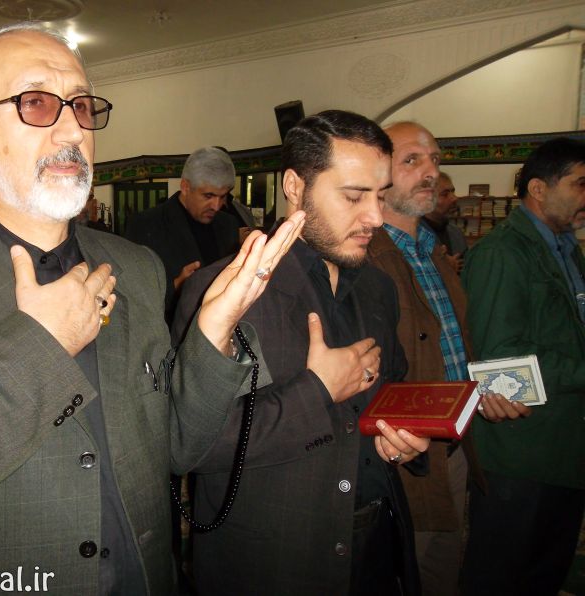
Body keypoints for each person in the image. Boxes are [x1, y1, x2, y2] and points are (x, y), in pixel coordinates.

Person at [0, 22, 304, 595]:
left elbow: (177, 445)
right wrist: (40, 348)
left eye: (80, 105)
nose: (73, 128)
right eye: (34, 102)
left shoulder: (136, 267)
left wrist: (213, 329)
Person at [173, 110, 430, 595]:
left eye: (380, 195)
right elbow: (196, 447)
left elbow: (392, 387)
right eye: (353, 196)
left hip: (377, 547)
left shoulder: (378, 287)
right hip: (273, 562)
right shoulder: (220, 292)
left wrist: (403, 435)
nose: (375, 217)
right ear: (294, 186)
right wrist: (317, 391)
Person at [367, 122, 528, 596]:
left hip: (452, 447)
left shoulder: (433, 253)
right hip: (401, 456)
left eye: (435, 160)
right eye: (411, 160)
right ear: (379, 174)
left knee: (441, 568)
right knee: (401, 571)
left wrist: (482, 395)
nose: (430, 172)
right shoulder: (364, 257)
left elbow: (453, 349)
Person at [461, 137, 585, 596]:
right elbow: (500, 360)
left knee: (545, 573)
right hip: (521, 453)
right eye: (580, 184)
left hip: (562, 446)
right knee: (503, 576)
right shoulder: (502, 253)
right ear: (538, 188)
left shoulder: (566, 248)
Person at [125, 146, 241, 318]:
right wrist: (175, 287)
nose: (217, 206)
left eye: (223, 196)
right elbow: (132, 297)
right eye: (208, 196)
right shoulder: (145, 225)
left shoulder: (228, 225)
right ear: (186, 187)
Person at [421, 171, 467, 273]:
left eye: (453, 192)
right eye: (445, 194)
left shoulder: (456, 233)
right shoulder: (414, 235)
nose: (454, 198)